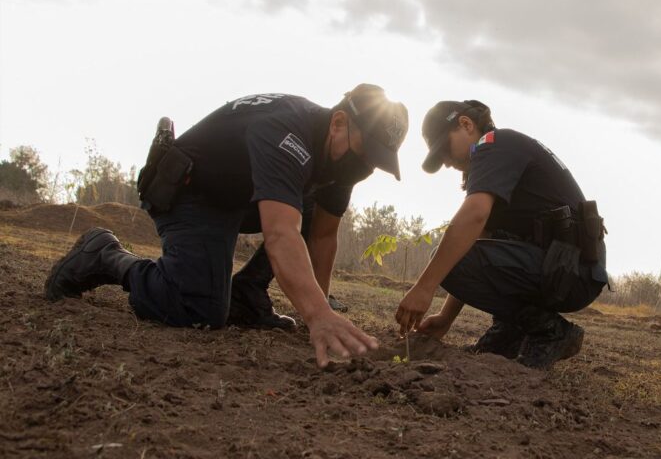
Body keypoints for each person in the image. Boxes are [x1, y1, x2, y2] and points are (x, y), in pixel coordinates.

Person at [45, 85, 408, 368]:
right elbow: (282, 233)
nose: (366, 166)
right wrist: (318, 316)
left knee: (309, 206)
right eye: (365, 151)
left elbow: (324, 234)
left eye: (376, 159)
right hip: (189, 192)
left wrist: (319, 313)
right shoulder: (288, 134)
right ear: (339, 121)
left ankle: (248, 297)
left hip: (236, 197)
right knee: (197, 309)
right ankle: (106, 256)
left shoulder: (341, 159)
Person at [395, 100, 608, 369]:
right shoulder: (497, 158)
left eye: (445, 149)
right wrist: (445, 318)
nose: (447, 163)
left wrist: (423, 289)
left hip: (569, 269)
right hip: (566, 268)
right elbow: (478, 242)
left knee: (445, 258)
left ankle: (550, 331)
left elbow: (474, 216)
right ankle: (510, 331)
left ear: (465, 124)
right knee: (456, 256)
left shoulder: (492, 144)